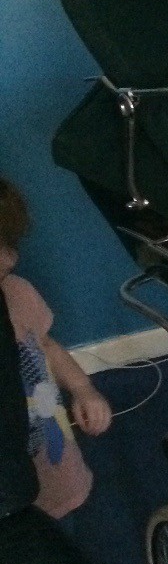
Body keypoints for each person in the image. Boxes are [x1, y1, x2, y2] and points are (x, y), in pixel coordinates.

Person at [0, 178, 111, 519]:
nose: (10, 259)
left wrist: (82, 388)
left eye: (7, 245)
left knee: (63, 486)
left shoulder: (17, 293)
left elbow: (46, 345)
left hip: (46, 426)